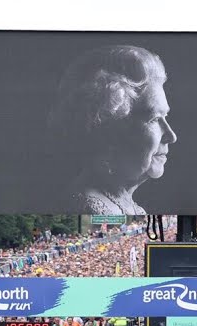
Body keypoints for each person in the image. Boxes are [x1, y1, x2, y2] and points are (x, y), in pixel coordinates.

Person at [48, 45, 179, 215]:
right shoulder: (92, 208)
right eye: (154, 119)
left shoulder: (120, 204)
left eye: (165, 117)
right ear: (111, 133)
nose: (171, 136)